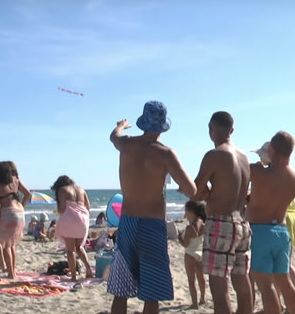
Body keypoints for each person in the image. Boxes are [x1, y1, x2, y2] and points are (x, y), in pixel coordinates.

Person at [108, 101, 196, 314]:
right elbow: (191, 189)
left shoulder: (126, 144)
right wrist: (180, 188)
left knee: (121, 289)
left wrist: (121, 126)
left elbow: (113, 136)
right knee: (152, 291)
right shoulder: (165, 153)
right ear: (163, 126)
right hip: (152, 225)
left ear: (143, 122)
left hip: (127, 222)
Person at [193, 111, 252, 314]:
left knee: (220, 291)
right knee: (242, 284)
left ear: (211, 130)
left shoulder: (214, 155)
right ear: (232, 130)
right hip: (242, 223)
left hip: (220, 223)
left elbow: (196, 191)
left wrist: (199, 193)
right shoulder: (244, 157)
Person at [247, 132, 295, 314]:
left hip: (261, 232)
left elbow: (240, 176)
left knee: (265, 286)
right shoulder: (294, 177)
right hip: (281, 230)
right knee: (285, 283)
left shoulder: (258, 172)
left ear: (271, 149)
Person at [0, 161, 30, 278]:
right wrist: (22, 205)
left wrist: (0, 212)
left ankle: (11, 274)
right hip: (20, 212)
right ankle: (13, 270)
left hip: (8, 213)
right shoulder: (15, 180)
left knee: (6, 245)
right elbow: (27, 194)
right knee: (12, 244)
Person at [52, 175, 93, 281]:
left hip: (70, 219)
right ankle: (88, 270)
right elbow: (88, 206)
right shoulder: (81, 189)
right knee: (79, 247)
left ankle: (74, 276)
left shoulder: (62, 190)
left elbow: (61, 209)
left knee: (70, 250)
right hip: (83, 219)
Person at [177, 201, 206, 309]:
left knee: (191, 280)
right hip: (200, 252)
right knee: (201, 277)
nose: (186, 213)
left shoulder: (190, 228)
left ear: (191, 212)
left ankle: (194, 304)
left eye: (186, 211)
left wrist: (179, 237)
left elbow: (185, 244)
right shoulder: (202, 223)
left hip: (190, 253)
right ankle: (203, 298)